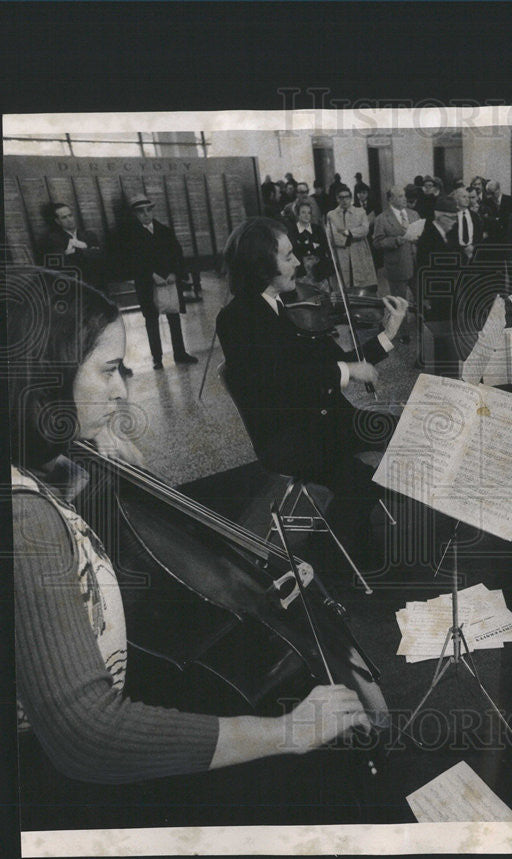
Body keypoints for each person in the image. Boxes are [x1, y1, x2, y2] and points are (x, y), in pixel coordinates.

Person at [8, 266, 376, 829]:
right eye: (107, 371)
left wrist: (78, 448)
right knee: (301, 793)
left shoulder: (34, 470)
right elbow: (88, 737)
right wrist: (286, 733)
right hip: (52, 794)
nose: (122, 390)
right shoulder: (22, 519)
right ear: (44, 379)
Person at [216, 218, 407, 561]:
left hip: (327, 422)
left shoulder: (291, 305)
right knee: (362, 481)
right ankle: (330, 559)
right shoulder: (237, 319)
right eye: (288, 257)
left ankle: (356, 530)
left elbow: (341, 361)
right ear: (262, 265)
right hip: (289, 438)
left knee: (405, 431)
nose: (298, 264)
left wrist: (387, 335)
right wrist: (346, 370)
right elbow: (277, 382)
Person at [120, 193, 198, 370]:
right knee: (151, 319)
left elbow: (177, 254)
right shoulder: (129, 236)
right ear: (134, 214)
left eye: (148, 210)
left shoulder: (165, 231)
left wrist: (174, 273)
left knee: (174, 316)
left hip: (169, 281)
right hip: (147, 284)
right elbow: (131, 261)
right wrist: (150, 275)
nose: (146, 214)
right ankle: (157, 358)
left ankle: (180, 352)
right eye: (141, 212)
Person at [372, 186, 420, 342]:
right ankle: (403, 333)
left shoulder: (414, 214)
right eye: (400, 196)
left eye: (404, 195)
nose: (404, 198)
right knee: (400, 301)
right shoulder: (382, 219)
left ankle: (422, 326)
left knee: (420, 296)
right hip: (397, 265)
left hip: (416, 263)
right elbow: (377, 243)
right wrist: (395, 241)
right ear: (390, 199)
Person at [40, 202, 107, 292]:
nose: (69, 220)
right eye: (64, 218)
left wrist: (73, 252)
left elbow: (101, 256)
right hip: (73, 286)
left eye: (70, 215)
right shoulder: (53, 239)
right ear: (57, 221)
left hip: (96, 283)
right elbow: (60, 264)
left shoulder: (89, 235)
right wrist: (87, 250)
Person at [326, 187, 377, 292]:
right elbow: (331, 234)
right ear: (337, 199)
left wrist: (348, 232)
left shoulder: (360, 212)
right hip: (341, 252)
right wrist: (347, 240)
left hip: (358, 250)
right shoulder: (331, 215)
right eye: (341, 198)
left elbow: (364, 229)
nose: (344, 200)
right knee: (344, 281)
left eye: (347, 197)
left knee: (361, 281)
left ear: (351, 198)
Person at [288, 198, 332, 281]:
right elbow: (294, 249)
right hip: (301, 271)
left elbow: (324, 247)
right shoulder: (292, 230)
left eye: (309, 213)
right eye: (303, 212)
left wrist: (305, 246)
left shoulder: (317, 229)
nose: (307, 215)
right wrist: (312, 246)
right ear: (297, 214)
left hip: (319, 270)